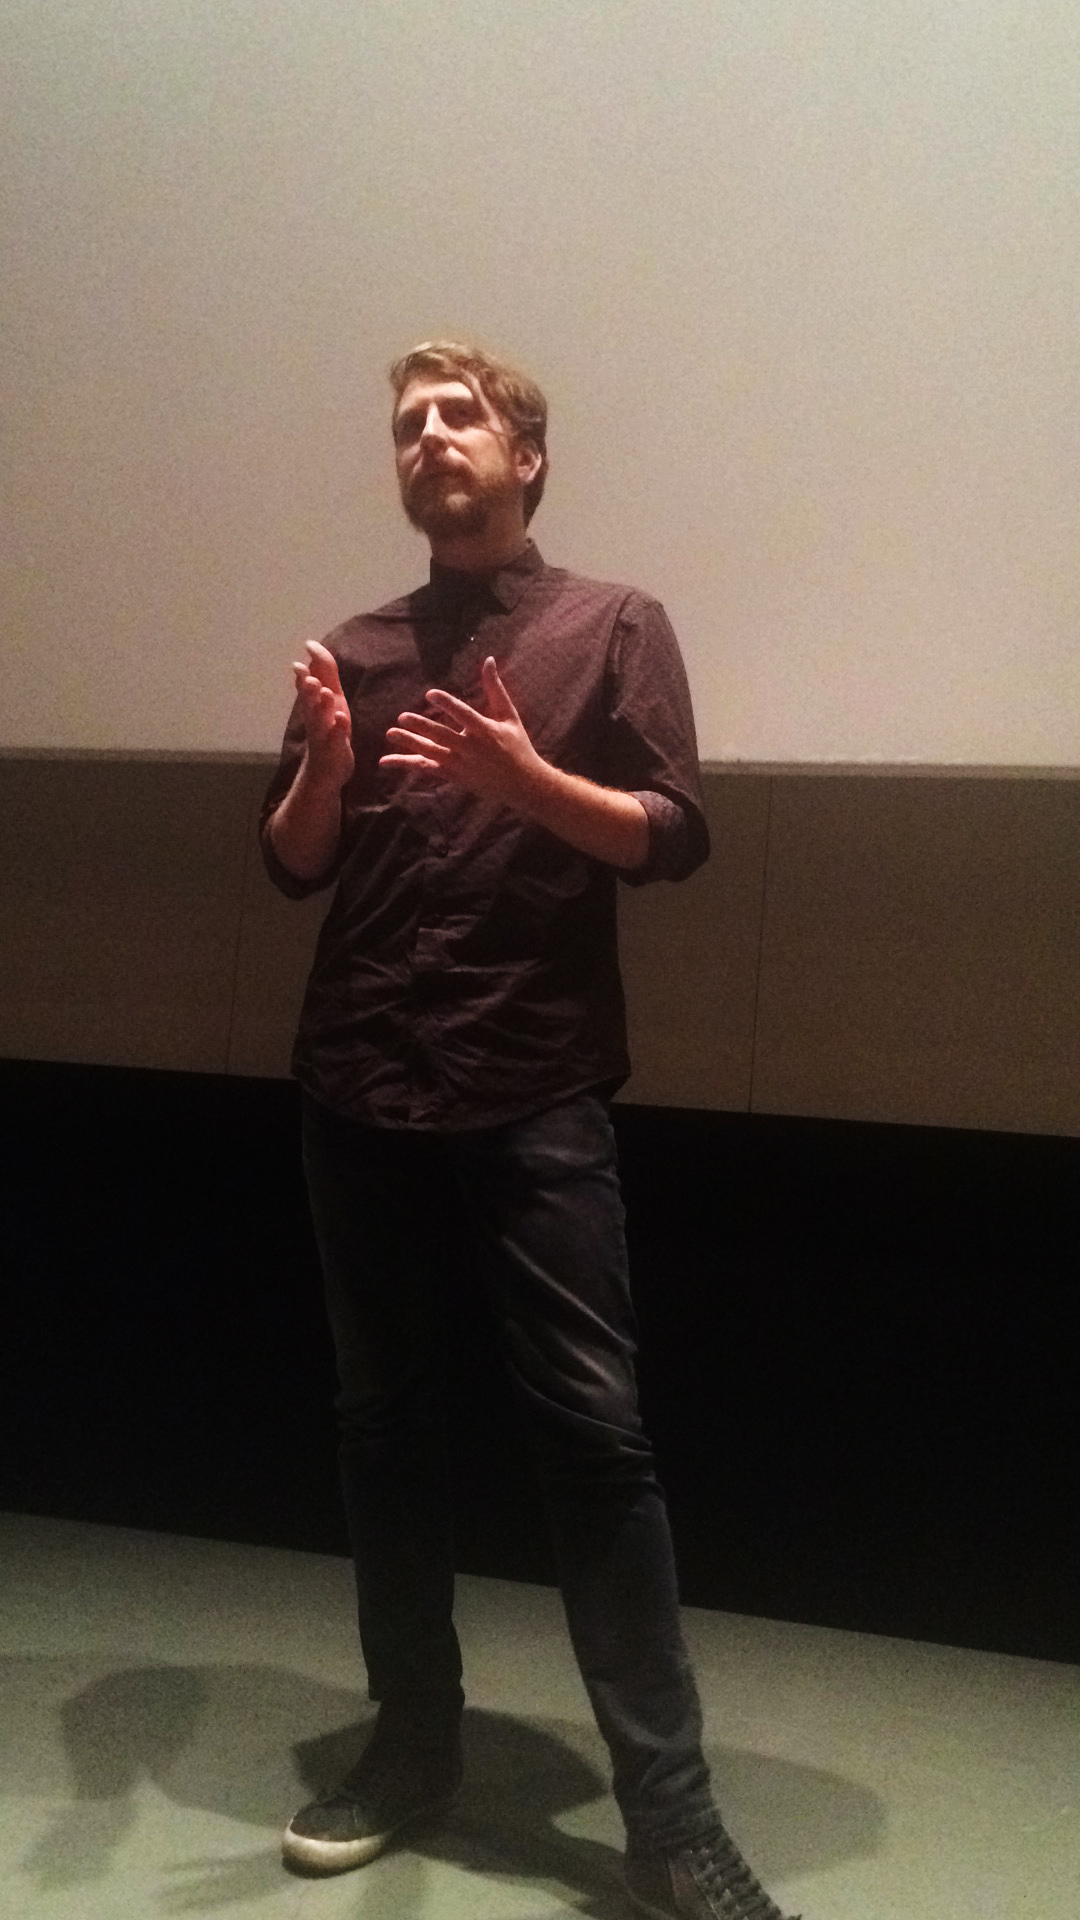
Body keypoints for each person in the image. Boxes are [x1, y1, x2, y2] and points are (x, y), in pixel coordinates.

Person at [260, 341, 798, 1920]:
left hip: (534, 1081)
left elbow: (672, 835)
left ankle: (671, 1826)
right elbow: (292, 860)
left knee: (596, 1442)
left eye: (460, 415)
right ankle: (411, 1743)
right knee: (381, 1426)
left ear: (528, 457)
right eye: (408, 423)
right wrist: (326, 771)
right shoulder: (353, 651)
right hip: (358, 1075)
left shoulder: (612, 625)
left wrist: (525, 779)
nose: (429, 436)